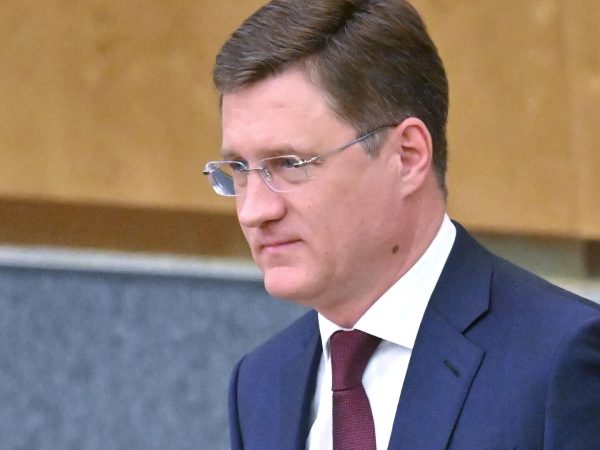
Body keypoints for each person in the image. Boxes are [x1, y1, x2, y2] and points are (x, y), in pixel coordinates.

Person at [203, 0, 600, 448]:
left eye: (290, 164)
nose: (254, 211)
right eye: (239, 169)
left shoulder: (559, 361)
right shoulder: (261, 383)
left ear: (407, 157)